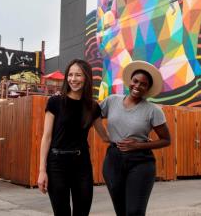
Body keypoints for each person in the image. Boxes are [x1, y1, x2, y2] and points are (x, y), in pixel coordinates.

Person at [38, 59, 109, 216]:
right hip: (56, 164)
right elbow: (47, 137)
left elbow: (105, 136)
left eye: (78, 75)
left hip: (81, 164)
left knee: (82, 212)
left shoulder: (93, 107)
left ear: (87, 78)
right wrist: (42, 171)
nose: (73, 79)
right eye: (70, 75)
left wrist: (135, 139)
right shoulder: (55, 102)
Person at [101, 60, 171, 216]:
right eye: (135, 81)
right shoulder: (112, 101)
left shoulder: (153, 110)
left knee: (134, 211)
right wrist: (104, 135)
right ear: (130, 81)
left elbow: (166, 140)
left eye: (143, 84)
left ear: (147, 88)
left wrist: (137, 146)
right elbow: (92, 116)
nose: (138, 86)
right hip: (113, 160)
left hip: (140, 162)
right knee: (121, 211)